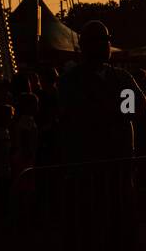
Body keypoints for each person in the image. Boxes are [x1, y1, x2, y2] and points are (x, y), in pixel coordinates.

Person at [57, 20, 141, 164]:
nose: (105, 45)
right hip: (91, 158)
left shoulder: (122, 78)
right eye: (101, 41)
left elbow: (137, 108)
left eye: (105, 41)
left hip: (115, 156)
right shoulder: (72, 80)